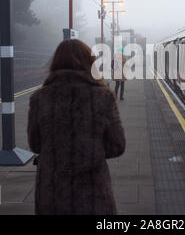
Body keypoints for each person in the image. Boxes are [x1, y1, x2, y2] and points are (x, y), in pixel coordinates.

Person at [27, 39, 126, 215]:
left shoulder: (39, 98)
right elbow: (117, 146)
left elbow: (35, 144)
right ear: (90, 63)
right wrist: (91, 151)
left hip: (51, 193)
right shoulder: (103, 97)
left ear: (55, 63)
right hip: (93, 193)